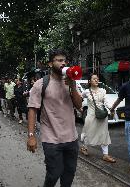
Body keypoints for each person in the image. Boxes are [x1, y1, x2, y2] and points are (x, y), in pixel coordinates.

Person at [27, 49, 82, 187]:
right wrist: (31, 135)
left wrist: (73, 87)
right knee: (54, 173)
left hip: (72, 138)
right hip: (51, 139)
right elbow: (32, 109)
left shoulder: (70, 81)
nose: (63, 63)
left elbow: (79, 105)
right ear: (50, 63)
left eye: (65, 61)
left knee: (69, 174)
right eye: (59, 60)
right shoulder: (40, 84)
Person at [79, 73, 116, 163]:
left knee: (104, 134)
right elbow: (79, 98)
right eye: (94, 79)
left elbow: (106, 102)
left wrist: (111, 108)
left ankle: (105, 155)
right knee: (89, 133)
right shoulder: (86, 91)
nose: (96, 80)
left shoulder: (103, 90)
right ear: (89, 81)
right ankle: (84, 147)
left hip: (101, 116)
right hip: (91, 116)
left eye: (97, 79)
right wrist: (79, 107)